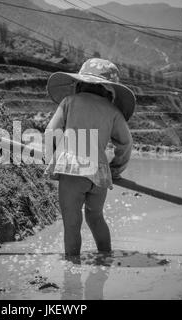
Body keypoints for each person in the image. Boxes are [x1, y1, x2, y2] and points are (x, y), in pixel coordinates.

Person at [45, 58, 135, 256]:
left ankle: (72, 266)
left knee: (72, 223)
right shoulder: (113, 111)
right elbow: (126, 143)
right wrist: (115, 170)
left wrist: (53, 158)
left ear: (78, 84)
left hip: (73, 170)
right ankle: (106, 257)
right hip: (100, 174)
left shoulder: (69, 101)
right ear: (109, 92)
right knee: (96, 218)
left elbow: (51, 131)